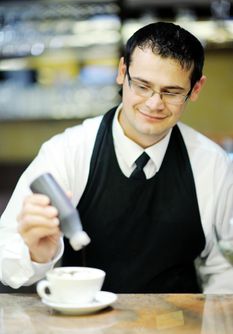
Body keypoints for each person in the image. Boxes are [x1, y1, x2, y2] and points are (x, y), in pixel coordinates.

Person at [0, 21, 233, 293]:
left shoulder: (212, 164)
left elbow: (223, 269)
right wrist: (37, 254)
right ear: (122, 72)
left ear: (195, 89)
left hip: (179, 323)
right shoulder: (66, 151)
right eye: (142, 86)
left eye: (171, 92)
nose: (153, 103)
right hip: (84, 321)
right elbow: (5, 263)